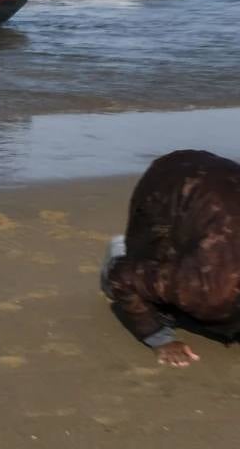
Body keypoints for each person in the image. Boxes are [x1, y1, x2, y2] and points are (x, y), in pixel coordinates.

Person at [101, 150, 240, 367]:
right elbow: (121, 278)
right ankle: (119, 251)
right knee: (165, 305)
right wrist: (159, 338)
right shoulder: (208, 291)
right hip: (165, 186)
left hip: (216, 185)